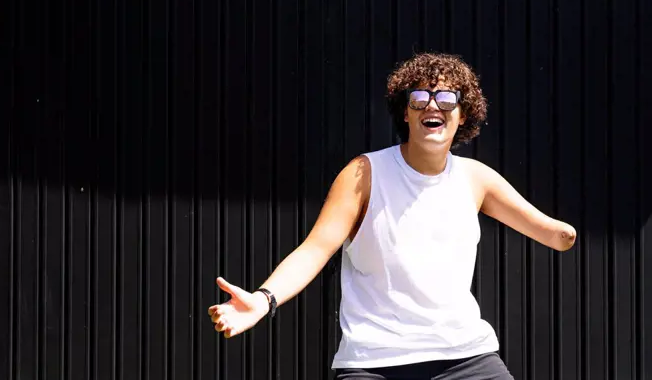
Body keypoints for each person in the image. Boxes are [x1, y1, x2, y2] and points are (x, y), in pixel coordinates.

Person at [208, 52, 576, 379]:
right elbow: (315, 249)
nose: (433, 106)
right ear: (406, 111)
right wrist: (263, 299)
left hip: (465, 357)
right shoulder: (365, 173)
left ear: (463, 115)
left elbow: (551, 233)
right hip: (375, 362)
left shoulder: (474, 178)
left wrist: (565, 235)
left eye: (447, 98)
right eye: (419, 98)